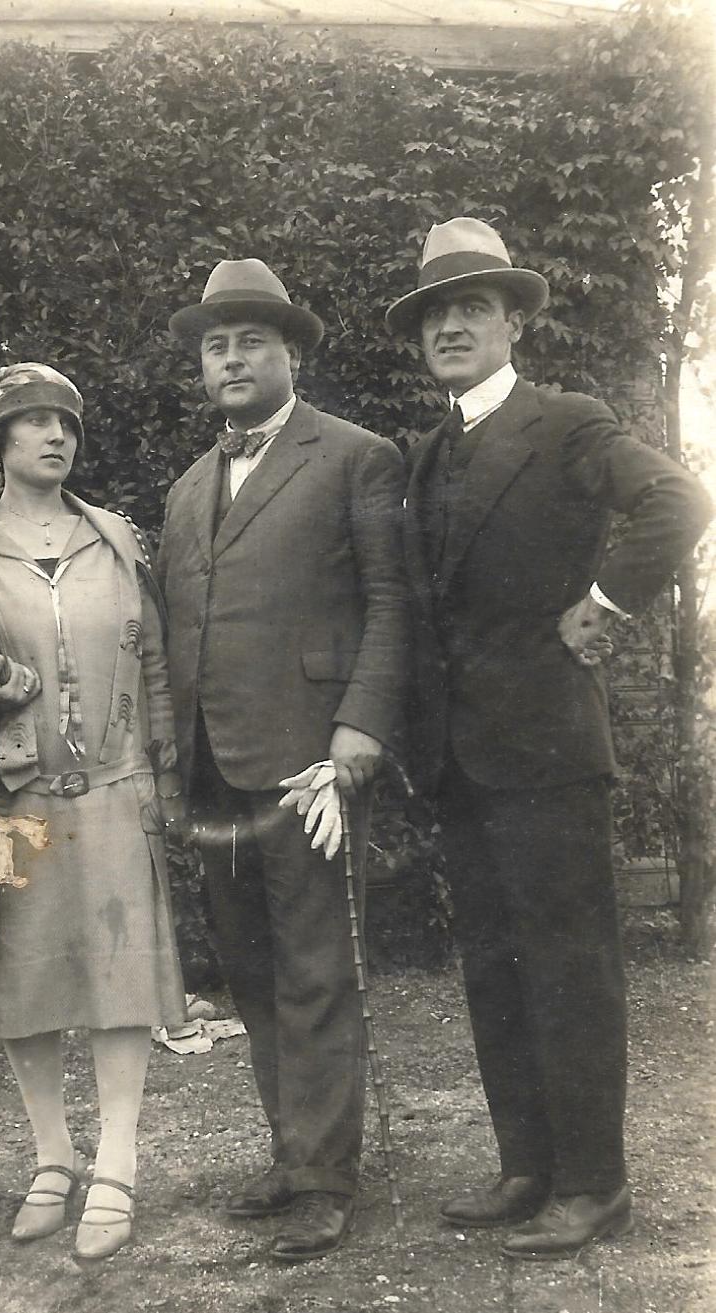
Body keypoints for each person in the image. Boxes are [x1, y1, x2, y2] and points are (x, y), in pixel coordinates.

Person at [387, 217, 712, 1258]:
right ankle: (526, 1164)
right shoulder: (426, 450)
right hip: (458, 760)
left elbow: (676, 497)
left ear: (512, 320)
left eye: (470, 308)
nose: (450, 327)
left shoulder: (564, 421)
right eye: (434, 312)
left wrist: (606, 602)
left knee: (568, 967)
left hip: (546, 756)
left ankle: (593, 1183)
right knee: (491, 964)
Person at [158, 259, 409, 1261]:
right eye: (215, 344)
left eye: (249, 340)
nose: (229, 356)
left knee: (314, 968)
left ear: (288, 353)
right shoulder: (184, 489)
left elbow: (392, 604)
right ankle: (291, 1146)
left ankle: (323, 1177)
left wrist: (357, 732)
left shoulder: (353, 457)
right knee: (251, 969)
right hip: (212, 768)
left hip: (308, 760)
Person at [0, 363, 187, 1262]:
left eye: (66, 425)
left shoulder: (116, 537)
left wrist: (160, 765)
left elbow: (154, 660)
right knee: (24, 974)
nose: (55, 437)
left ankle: (116, 1161)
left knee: (123, 976)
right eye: (33, 423)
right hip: (5, 796)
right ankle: (54, 1155)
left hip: (116, 786)